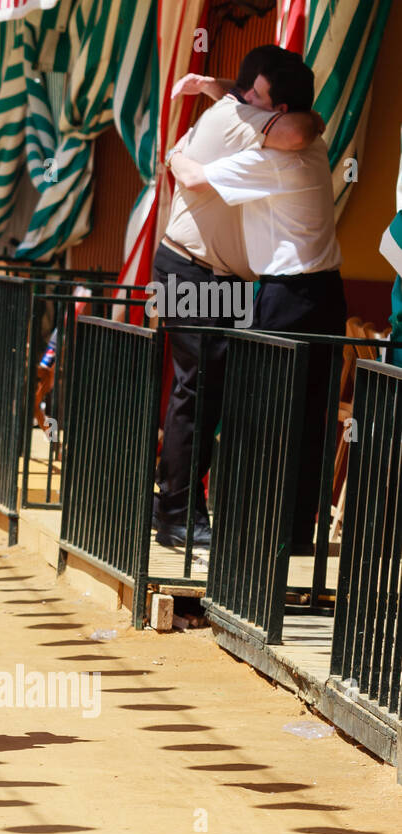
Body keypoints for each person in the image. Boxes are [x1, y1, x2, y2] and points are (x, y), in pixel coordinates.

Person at [170, 53, 344, 553]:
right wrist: (211, 85)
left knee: (263, 416)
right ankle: (291, 536)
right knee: (307, 420)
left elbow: (194, 178)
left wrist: (174, 151)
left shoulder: (276, 156)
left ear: (280, 110)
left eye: (254, 97)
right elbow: (248, 101)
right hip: (322, 293)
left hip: (289, 298)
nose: (242, 100)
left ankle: (259, 535)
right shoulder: (313, 138)